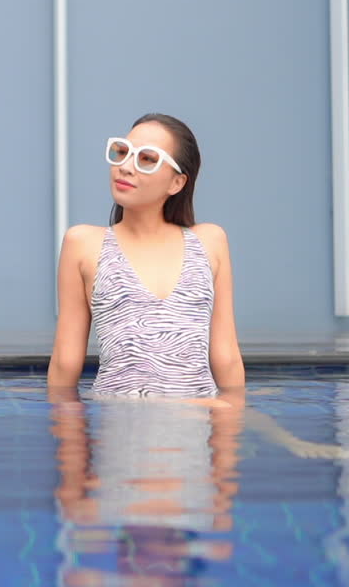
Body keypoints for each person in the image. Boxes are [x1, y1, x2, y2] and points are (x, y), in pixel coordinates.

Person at [47, 113, 242, 399]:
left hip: (193, 430)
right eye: (123, 152)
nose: (125, 167)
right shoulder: (84, 243)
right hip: (120, 429)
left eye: (147, 159)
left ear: (176, 183)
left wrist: (227, 439)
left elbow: (227, 359)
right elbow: (66, 363)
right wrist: (70, 441)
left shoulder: (210, 242)